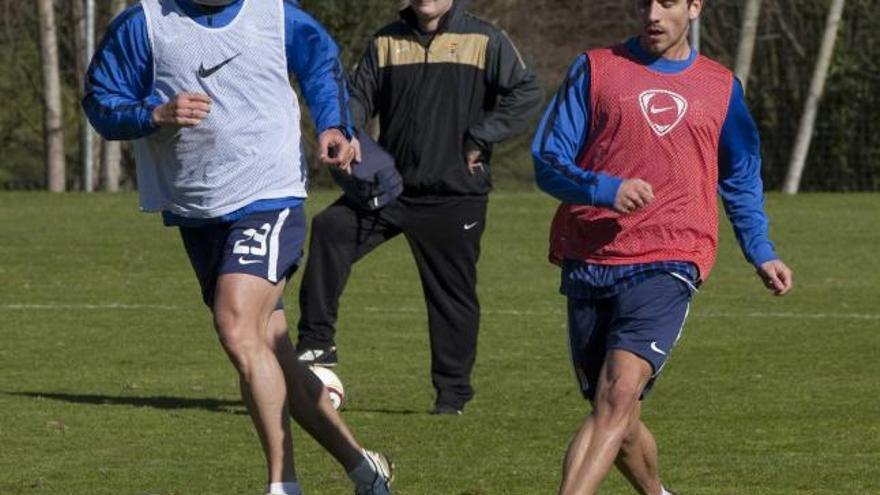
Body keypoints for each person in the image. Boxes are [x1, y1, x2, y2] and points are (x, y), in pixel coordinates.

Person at [82, 1, 393, 494]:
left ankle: (282, 484)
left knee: (235, 324)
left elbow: (319, 62)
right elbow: (101, 102)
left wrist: (334, 124)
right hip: (197, 208)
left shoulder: (276, 14)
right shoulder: (143, 23)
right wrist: (154, 113)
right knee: (271, 352)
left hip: (269, 194)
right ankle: (363, 468)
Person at [532, 0, 793, 493]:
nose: (653, 13)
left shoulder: (720, 87)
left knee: (618, 394)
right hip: (591, 254)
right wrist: (604, 189)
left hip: (672, 254)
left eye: (668, 2)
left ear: (694, 7)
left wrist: (760, 248)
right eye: (645, 2)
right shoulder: (595, 69)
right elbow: (548, 158)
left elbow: (740, 176)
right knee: (617, 414)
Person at [295, 0, 543, 415]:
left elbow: (527, 92)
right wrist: (348, 130)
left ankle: (452, 398)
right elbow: (355, 95)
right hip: (390, 188)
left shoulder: (485, 39)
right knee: (331, 227)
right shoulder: (386, 41)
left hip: (454, 194)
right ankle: (316, 343)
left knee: (451, 297)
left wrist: (482, 136)